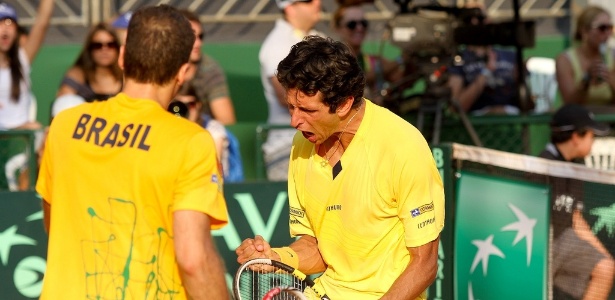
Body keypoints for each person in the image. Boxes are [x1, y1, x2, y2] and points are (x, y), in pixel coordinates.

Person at [36, 5, 229, 299]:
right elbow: (194, 260)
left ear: (123, 56)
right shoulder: (192, 142)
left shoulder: (64, 125)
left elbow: (55, 226)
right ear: (182, 71)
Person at [236, 36, 444, 299]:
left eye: (307, 110)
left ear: (344, 104)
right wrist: (275, 256)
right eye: (290, 107)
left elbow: (424, 264)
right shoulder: (301, 146)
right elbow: (315, 248)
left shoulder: (403, 146)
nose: (294, 121)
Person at [539, 104, 615, 300]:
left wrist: (605, 256)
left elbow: (575, 218)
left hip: (564, 242)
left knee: (605, 268)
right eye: (590, 135)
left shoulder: (575, 169)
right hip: (536, 245)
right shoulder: (539, 167)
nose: (593, 141)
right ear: (575, 137)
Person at [260, 0, 323, 181]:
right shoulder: (277, 43)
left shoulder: (317, 36)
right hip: (286, 149)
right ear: (289, 9)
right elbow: (286, 96)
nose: (317, 2)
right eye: (308, 1)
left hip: (316, 142)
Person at [447, 5, 520, 115]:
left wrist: (520, 81)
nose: (478, 24)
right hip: (477, 121)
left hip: (512, 117)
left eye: (482, 18)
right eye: (470, 20)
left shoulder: (510, 55)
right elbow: (456, 107)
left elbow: (530, 106)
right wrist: (485, 72)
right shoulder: (458, 61)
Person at [332, 3, 404, 105]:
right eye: (352, 24)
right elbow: (352, 81)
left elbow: (399, 79)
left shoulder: (371, 60)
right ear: (338, 28)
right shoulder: (332, 60)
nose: (359, 28)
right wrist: (400, 59)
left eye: (363, 23)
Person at [173, 84, 244, 183]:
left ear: (199, 105)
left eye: (191, 104)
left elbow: (212, 170)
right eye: (180, 105)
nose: (187, 110)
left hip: (215, 187)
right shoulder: (170, 129)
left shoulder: (214, 130)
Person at [0, 0, 53, 130]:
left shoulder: (22, 59)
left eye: (10, 23)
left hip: (21, 138)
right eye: (0, 23)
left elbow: (42, 23)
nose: (6, 28)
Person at [178, 9, 236, 125]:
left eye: (201, 36)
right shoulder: (160, 66)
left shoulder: (209, 69)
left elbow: (227, 122)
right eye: (192, 37)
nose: (198, 43)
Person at [555, 5, 615, 107]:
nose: (607, 33)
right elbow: (570, 103)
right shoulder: (565, 60)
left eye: (610, 27)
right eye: (602, 28)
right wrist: (586, 80)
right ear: (584, 31)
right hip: (580, 119)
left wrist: (610, 79)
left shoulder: (613, 56)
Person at [56, 22, 122, 102]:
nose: (104, 50)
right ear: (90, 49)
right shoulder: (78, 76)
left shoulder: (127, 77)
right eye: (98, 45)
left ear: (118, 48)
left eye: (110, 45)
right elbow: (63, 106)